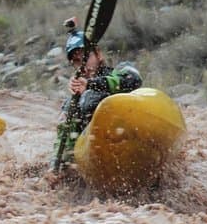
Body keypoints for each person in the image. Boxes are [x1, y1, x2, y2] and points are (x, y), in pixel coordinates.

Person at [51, 29, 142, 169]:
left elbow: (134, 80)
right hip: (101, 154)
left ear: (98, 54)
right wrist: (56, 168)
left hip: (131, 136)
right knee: (68, 113)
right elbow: (65, 143)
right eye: (76, 61)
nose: (82, 65)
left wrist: (90, 84)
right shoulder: (74, 101)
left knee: (90, 97)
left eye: (85, 58)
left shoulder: (122, 70)